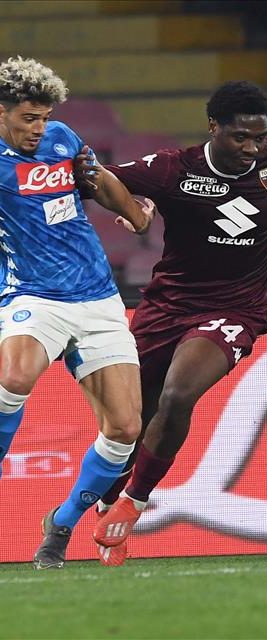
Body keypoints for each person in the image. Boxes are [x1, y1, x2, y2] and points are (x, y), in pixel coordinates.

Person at [81, 80, 267, 566]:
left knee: (179, 394)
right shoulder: (172, 169)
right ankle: (105, 503)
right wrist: (137, 205)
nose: (251, 148)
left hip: (234, 309)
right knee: (128, 421)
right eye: (240, 137)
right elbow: (98, 178)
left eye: (259, 137)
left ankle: (133, 502)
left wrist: (152, 204)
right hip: (167, 306)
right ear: (213, 126)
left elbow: (252, 172)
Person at [0, 56, 154, 570]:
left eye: (43, 118)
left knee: (125, 428)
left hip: (97, 297)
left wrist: (135, 215)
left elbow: (97, 178)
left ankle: (61, 524)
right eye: (28, 119)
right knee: (14, 376)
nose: (38, 129)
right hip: (33, 295)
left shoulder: (61, 139)